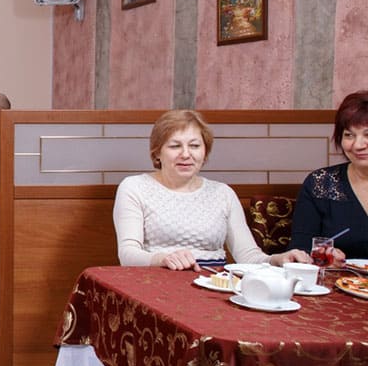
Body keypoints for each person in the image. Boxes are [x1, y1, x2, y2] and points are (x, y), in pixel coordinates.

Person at [113, 109, 311, 271]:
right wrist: (162, 259)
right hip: (155, 281)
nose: (186, 154)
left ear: (205, 152)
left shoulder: (223, 193)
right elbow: (128, 254)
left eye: (194, 146)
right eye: (175, 146)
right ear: (157, 152)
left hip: (213, 284)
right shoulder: (134, 187)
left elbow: (249, 257)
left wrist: (277, 259)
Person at [287, 91, 368, 263]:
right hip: (339, 279)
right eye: (349, 135)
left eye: (367, 134)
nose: (358, 145)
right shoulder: (321, 183)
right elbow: (300, 252)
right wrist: (324, 259)